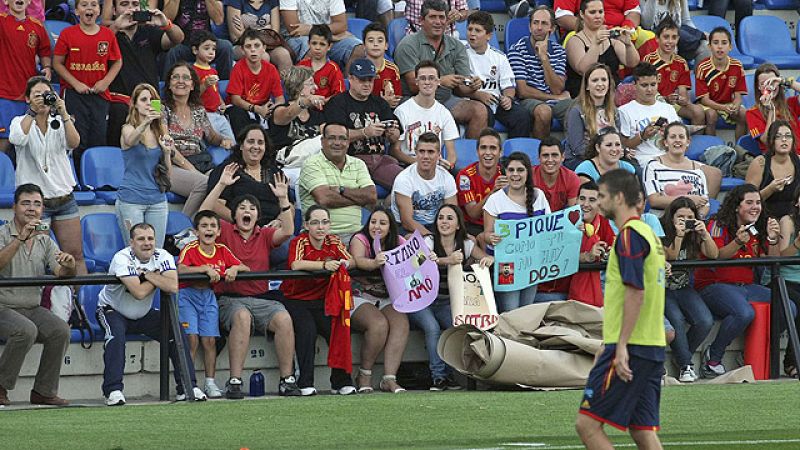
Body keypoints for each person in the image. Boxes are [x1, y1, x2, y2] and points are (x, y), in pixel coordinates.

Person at [575, 169, 666, 448]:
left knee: (587, 425)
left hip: (632, 346)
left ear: (619, 197)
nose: (598, 202)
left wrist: (621, 345)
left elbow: (635, 291)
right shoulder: (648, 234)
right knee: (642, 430)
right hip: (652, 344)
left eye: (602, 196)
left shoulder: (628, 236)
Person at [199, 167, 301, 398]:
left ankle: (287, 379)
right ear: (234, 215)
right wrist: (222, 184)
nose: (247, 212)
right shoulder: (223, 232)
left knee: (284, 318)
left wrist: (283, 199)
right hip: (230, 300)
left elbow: (288, 230)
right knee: (242, 317)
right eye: (242, 208)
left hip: (262, 299)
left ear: (257, 215)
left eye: (252, 209)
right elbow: (204, 213)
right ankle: (235, 381)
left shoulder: (264, 234)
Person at [98, 223, 207, 406]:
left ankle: (187, 387)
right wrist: (158, 277)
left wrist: (148, 275)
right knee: (115, 337)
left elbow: (172, 287)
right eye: (141, 239)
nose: (147, 243)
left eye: (150, 239)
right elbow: (138, 293)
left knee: (176, 330)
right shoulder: (121, 258)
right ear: (132, 242)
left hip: (143, 313)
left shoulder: (162, 255)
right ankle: (113, 390)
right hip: (112, 310)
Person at [693, 184, 784, 378]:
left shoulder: (757, 227)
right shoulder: (717, 224)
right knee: (743, 312)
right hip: (714, 285)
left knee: (788, 307)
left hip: (746, 287)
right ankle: (713, 357)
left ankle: (753, 351)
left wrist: (774, 239)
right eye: (749, 202)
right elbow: (716, 256)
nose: (755, 207)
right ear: (736, 206)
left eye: (758, 203)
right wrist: (738, 242)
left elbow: (772, 260)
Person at [0, 184, 76, 407]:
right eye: (26, 203)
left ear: (42, 209)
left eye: (37, 204)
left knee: (60, 330)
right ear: (14, 207)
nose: (31, 209)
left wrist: (69, 266)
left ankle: (43, 391)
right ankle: (0, 387)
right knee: (25, 330)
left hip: (31, 307)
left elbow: (61, 272)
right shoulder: (3, 234)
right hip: (3, 305)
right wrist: (20, 240)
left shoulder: (44, 240)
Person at [9, 77, 87, 277]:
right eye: (37, 95)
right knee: (36, 257)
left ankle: (83, 305)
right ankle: (36, 305)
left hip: (64, 199)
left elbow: (74, 142)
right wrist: (33, 112)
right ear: (27, 99)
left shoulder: (59, 122)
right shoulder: (19, 121)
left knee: (75, 256)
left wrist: (64, 113)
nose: (43, 99)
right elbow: (17, 138)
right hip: (35, 205)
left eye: (46, 95)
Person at [412, 204, 492, 391]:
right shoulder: (428, 241)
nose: (444, 222)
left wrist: (488, 260)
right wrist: (448, 260)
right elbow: (418, 263)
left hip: (446, 302)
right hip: (421, 300)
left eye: (449, 218)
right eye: (441, 218)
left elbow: (485, 258)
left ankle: (451, 376)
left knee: (456, 328)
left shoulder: (466, 243)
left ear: (458, 225)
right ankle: (438, 377)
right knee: (432, 328)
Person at [280, 205, 357, 396]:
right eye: (315, 222)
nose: (320, 227)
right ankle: (305, 382)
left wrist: (343, 263)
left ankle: (341, 382)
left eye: (324, 222)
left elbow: (351, 260)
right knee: (307, 330)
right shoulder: (299, 241)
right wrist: (324, 265)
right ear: (306, 225)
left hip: (323, 300)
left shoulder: (334, 241)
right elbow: (296, 264)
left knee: (337, 330)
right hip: (296, 299)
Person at [177, 210, 249, 398]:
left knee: (209, 340)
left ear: (218, 231)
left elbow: (245, 267)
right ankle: (188, 383)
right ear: (196, 231)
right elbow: (181, 269)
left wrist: (233, 268)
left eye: (212, 226)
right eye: (204, 226)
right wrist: (204, 269)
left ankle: (210, 382)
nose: (208, 230)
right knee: (191, 339)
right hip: (187, 295)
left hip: (208, 296)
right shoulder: (190, 248)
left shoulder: (223, 250)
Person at [394, 0, 488, 140]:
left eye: (442, 17)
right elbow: (414, 86)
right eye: (432, 17)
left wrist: (472, 86)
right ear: (421, 20)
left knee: (479, 111)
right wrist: (441, 81)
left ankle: (470, 159)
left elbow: (461, 90)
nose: (438, 22)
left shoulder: (457, 46)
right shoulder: (407, 45)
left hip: (445, 99)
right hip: (414, 101)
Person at [105, 0, 184, 147]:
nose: (130, 9)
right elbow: (96, 50)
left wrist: (165, 23)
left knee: (158, 147)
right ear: (114, 10)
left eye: (135, 4)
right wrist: (116, 27)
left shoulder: (149, 31)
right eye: (124, 4)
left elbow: (178, 39)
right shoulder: (107, 33)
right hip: (120, 101)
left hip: (151, 100)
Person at [349, 207, 410, 393]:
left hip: (386, 297)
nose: (377, 226)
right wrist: (374, 263)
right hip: (358, 295)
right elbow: (358, 260)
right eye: (373, 222)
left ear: (390, 227)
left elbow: (413, 261)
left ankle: (389, 379)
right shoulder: (360, 239)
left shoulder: (398, 241)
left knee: (401, 323)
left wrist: (428, 257)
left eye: (382, 223)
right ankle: (364, 374)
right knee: (378, 324)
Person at [52, 0, 121, 162]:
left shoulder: (107, 34)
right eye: (84, 5)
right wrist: (75, 83)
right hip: (74, 95)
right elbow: (57, 63)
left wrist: (105, 82)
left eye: (93, 5)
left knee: (98, 136)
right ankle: (76, 178)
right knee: (77, 138)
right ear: (76, 11)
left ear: (99, 11)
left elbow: (117, 61)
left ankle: (95, 180)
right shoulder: (68, 34)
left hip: (100, 96)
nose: (89, 8)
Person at [162, 62, 232, 217]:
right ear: (169, 84)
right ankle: (186, 227)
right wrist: (190, 169)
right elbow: (167, 145)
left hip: (200, 163)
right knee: (204, 184)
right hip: (171, 165)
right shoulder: (162, 109)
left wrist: (224, 141)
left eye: (186, 78)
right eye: (175, 77)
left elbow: (211, 136)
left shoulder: (198, 110)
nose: (181, 81)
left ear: (193, 85)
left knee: (229, 183)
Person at [483, 152, 551, 311]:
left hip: (531, 263)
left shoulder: (538, 195)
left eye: (520, 170)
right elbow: (485, 234)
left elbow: (549, 228)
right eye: (511, 170)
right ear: (505, 172)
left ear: (528, 172)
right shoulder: (495, 199)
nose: (515, 174)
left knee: (526, 311)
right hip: (506, 265)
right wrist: (491, 237)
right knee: (511, 312)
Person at [660, 197, 716, 383]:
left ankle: (682, 355)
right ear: (671, 216)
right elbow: (672, 256)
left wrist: (704, 234)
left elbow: (713, 254)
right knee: (676, 319)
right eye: (680, 216)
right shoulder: (660, 228)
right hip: (662, 288)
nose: (684, 220)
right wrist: (679, 234)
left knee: (705, 320)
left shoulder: (695, 233)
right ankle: (686, 365)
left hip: (684, 287)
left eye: (689, 217)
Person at [324, 58, 403, 189]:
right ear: (351, 79)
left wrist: (392, 133)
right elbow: (334, 137)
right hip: (350, 160)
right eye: (362, 80)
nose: (367, 84)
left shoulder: (380, 103)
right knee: (356, 191)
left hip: (380, 160)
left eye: (370, 80)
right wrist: (365, 132)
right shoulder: (338, 103)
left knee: (406, 184)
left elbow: (395, 137)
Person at [299, 122, 377, 243]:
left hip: (356, 236)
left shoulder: (358, 164)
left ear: (348, 142)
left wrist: (341, 190)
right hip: (321, 238)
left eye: (342, 138)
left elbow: (371, 196)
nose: (337, 143)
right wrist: (358, 199)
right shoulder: (311, 163)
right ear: (322, 141)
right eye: (331, 138)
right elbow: (325, 199)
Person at [116, 83, 173, 247]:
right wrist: (146, 122)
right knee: (135, 249)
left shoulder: (160, 132)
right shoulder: (127, 128)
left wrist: (167, 153)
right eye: (144, 99)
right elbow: (130, 140)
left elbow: (168, 176)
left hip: (157, 200)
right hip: (131, 199)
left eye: (152, 100)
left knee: (156, 250)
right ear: (134, 104)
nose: (148, 103)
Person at [464, 11, 532, 138]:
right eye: (469, 29)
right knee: (483, 113)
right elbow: (460, 88)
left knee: (522, 116)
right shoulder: (462, 54)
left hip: (496, 101)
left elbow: (509, 86)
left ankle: (515, 155)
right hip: (474, 100)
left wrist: (508, 98)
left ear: (489, 35)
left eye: (477, 30)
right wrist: (478, 95)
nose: (472, 34)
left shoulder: (499, 57)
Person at [507, 6, 572, 139]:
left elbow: (557, 89)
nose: (539, 27)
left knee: (584, 108)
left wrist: (544, 58)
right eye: (535, 22)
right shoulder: (517, 50)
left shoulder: (559, 51)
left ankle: (574, 153)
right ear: (530, 26)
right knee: (544, 111)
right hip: (529, 101)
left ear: (552, 29)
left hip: (555, 101)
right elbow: (523, 91)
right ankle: (542, 154)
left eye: (544, 23)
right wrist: (554, 98)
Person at [207, 125, 291, 226]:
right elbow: (215, 205)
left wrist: (280, 221)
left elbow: (290, 206)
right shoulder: (228, 170)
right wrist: (244, 224)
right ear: (241, 145)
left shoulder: (276, 173)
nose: (256, 146)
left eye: (260, 143)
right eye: (251, 141)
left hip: (273, 232)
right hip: (239, 230)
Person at [642, 18, 711, 134]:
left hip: (673, 104)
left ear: (678, 39)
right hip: (653, 104)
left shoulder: (681, 63)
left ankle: (690, 146)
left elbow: (683, 93)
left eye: (674, 37)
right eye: (666, 37)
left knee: (698, 111)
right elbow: (644, 93)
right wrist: (664, 99)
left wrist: (681, 99)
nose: (670, 41)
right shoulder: (649, 60)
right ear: (657, 39)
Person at [0, 0, 51, 153]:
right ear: (6, 1)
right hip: (5, 93)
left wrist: (47, 67)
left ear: (30, 1)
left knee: (28, 140)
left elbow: (45, 51)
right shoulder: (1, 21)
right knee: (5, 140)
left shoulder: (37, 26)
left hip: (29, 95)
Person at [564, 0, 639, 98]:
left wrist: (628, 45)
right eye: (592, 12)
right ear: (582, 14)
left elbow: (632, 63)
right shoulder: (575, 40)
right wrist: (595, 44)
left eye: (600, 12)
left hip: (613, 92)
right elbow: (584, 70)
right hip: (585, 95)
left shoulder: (611, 38)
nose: (597, 16)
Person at [393, 60, 459, 169]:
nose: (427, 82)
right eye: (423, 78)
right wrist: (417, 163)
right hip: (409, 166)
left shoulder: (444, 113)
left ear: (438, 82)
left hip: (436, 168)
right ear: (416, 82)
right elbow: (395, 150)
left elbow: (451, 153)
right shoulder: (402, 111)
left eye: (431, 78)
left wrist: (449, 165)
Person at [644, 122, 717, 218]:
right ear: (666, 142)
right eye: (673, 137)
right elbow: (654, 200)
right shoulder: (653, 165)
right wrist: (687, 200)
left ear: (688, 142)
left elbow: (705, 204)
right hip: (663, 219)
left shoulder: (697, 169)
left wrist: (697, 218)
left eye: (681, 137)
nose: (677, 140)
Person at [391, 132, 458, 235]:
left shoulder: (447, 178)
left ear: (438, 154)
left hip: (436, 225)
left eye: (431, 152)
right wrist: (432, 239)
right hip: (405, 228)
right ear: (416, 153)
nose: (425, 156)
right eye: (422, 151)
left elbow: (452, 213)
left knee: (469, 240)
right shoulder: (404, 179)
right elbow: (407, 222)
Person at [619, 62, 681, 167]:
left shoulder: (668, 108)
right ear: (634, 85)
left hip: (670, 157)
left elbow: (680, 139)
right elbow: (624, 144)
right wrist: (643, 136)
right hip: (645, 160)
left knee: (711, 172)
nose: (649, 90)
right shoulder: (625, 111)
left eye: (653, 84)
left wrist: (668, 134)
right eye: (644, 85)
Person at [226, 28, 285, 136]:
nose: (253, 50)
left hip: (264, 107)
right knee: (236, 112)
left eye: (257, 46)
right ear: (243, 50)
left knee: (282, 110)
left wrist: (275, 107)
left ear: (264, 48)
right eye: (248, 46)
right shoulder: (238, 68)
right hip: (243, 108)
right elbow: (235, 100)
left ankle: (276, 147)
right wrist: (257, 109)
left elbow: (280, 98)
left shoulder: (271, 69)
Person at [694, 27, 748, 140]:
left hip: (728, 103)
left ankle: (740, 149)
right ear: (709, 47)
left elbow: (738, 96)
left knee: (743, 113)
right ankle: (713, 149)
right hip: (708, 104)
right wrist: (723, 107)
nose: (719, 46)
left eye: (724, 43)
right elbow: (704, 100)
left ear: (730, 47)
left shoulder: (737, 66)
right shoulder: (703, 67)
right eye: (715, 43)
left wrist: (735, 106)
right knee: (711, 115)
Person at [568, 180, 616, 306]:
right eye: (582, 198)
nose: (586, 204)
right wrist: (587, 256)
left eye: (592, 200)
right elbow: (559, 257)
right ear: (575, 201)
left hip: (601, 286)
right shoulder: (565, 223)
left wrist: (607, 252)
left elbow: (614, 250)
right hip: (565, 289)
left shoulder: (603, 223)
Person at [279, 0, 364, 70]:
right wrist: (332, 37)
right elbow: (294, 29)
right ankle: (310, 88)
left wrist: (311, 29)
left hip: (327, 37)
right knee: (313, 47)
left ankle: (346, 87)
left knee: (358, 49)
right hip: (297, 39)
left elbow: (341, 25)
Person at [564, 63, 618, 168]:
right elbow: (578, 148)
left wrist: (623, 151)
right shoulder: (576, 111)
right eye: (595, 80)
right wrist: (605, 155)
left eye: (604, 80)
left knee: (632, 170)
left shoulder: (614, 111)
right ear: (587, 86)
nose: (600, 84)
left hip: (608, 156)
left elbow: (618, 139)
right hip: (581, 160)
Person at [163, 0, 233, 80]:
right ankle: (167, 87)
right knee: (171, 50)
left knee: (226, 47)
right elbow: (165, 20)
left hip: (206, 43)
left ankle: (225, 86)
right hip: (182, 44)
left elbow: (218, 20)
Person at [745, 120, 800, 220]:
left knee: (787, 221)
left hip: (794, 219)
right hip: (767, 218)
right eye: (778, 136)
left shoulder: (799, 160)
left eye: (788, 136)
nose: (784, 140)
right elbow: (747, 201)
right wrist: (770, 189)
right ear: (771, 140)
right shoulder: (760, 163)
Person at [456, 128, 506, 236]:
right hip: (473, 228)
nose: (488, 153)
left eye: (493, 148)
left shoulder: (507, 174)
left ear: (500, 152)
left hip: (499, 226)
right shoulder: (465, 176)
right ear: (477, 151)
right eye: (483, 148)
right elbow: (473, 214)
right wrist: (493, 192)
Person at [745, 63, 800, 154]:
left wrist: (785, 81)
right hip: (777, 159)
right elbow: (767, 141)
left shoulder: (790, 103)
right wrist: (771, 110)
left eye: (772, 82)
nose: (769, 87)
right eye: (763, 84)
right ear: (758, 87)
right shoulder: (752, 113)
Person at [191, 31, 235, 142]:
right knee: (218, 142)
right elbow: (192, 96)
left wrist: (221, 102)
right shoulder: (192, 71)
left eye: (213, 49)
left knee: (232, 143)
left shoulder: (213, 70)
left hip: (218, 114)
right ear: (195, 50)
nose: (211, 52)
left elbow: (215, 91)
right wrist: (205, 85)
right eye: (206, 48)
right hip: (205, 115)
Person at [269, 66, 326, 152]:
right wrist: (305, 101)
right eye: (311, 83)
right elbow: (289, 114)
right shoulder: (279, 111)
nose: (316, 87)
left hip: (312, 162)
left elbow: (327, 137)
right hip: (286, 161)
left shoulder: (317, 116)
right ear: (298, 87)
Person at [225, 0, 293, 72]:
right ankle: (260, 83)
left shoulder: (272, 1)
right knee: (263, 56)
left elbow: (274, 32)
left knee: (284, 55)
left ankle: (287, 83)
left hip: (268, 44)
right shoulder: (235, 2)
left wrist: (248, 30)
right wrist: (265, 29)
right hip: (243, 45)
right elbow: (237, 35)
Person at [777, 184, 800, 378]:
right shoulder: (788, 221)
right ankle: (791, 362)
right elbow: (782, 255)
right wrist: (797, 244)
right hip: (784, 278)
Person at [639, 0, 710, 62]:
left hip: (677, 35)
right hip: (655, 36)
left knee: (705, 45)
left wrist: (697, 32)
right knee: (671, 47)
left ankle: (699, 75)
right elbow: (647, 25)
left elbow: (686, 21)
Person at [296, 25, 345, 100]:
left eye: (322, 44)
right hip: (303, 108)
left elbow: (339, 95)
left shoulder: (333, 69)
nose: (317, 48)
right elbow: (293, 90)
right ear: (308, 43)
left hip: (326, 109)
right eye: (314, 43)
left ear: (329, 46)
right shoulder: (301, 65)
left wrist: (321, 101)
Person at [533, 137, 581, 211]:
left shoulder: (571, 178)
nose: (550, 160)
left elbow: (573, 211)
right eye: (545, 155)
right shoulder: (528, 176)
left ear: (563, 157)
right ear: (539, 158)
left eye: (554, 155)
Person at [362, 21, 401, 109]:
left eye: (380, 41)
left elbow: (397, 99)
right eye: (371, 41)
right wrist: (382, 103)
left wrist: (392, 100)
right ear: (364, 46)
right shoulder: (358, 69)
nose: (375, 44)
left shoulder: (393, 69)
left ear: (386, 45)